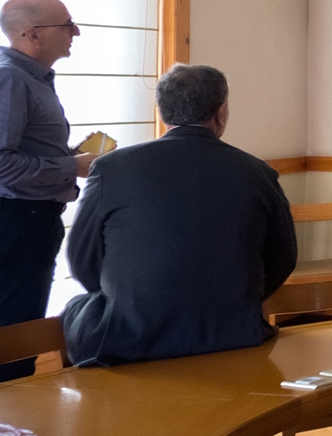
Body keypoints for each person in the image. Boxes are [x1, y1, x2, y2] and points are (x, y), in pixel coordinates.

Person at [61, 64, 297, 366]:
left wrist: (130, 297)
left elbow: (83, 261)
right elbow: (283, 258)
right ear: (221, 112)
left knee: (76, 310)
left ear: (161, 111)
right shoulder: (258, 173)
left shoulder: (112, 168)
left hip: (130, 338)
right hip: (232, 333)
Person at [0, 0, 97, 387]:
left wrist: (68, 156)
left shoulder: (26, 78)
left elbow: (13, 153)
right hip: (12, 224)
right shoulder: (7, 78)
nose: (76, 32)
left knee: (15, 347)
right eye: (67, 24)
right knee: (10, 356)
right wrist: (71, 166)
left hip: (22, 222)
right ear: (33, 34)